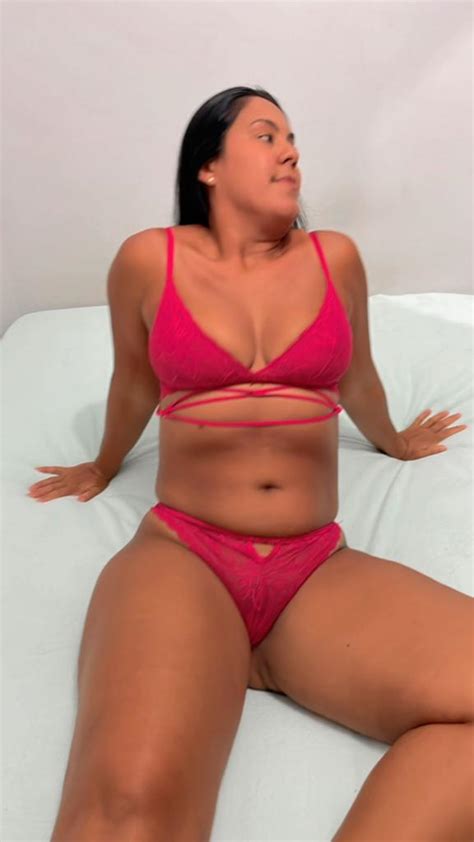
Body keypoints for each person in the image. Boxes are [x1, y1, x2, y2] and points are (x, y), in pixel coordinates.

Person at [31, 86, 471, 841]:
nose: (290, 151)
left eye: (293, 139)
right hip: (186, 556)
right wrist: (102, 466)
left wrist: (395, 440)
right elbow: (133, 382)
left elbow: (357, 377)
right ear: (208, 165)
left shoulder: (335, 258)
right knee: (126, 811)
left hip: (312, 570)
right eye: (267, 136)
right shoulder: (149, 259)